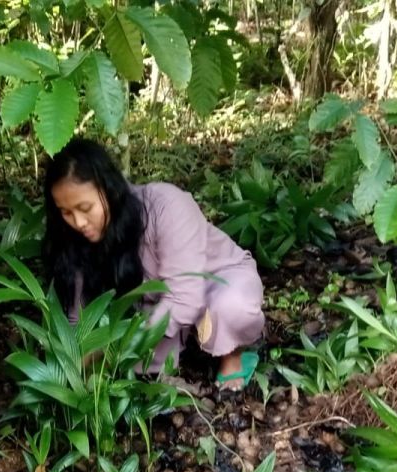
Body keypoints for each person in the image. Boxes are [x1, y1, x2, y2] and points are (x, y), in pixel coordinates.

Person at [41, 138, 264, 389]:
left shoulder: (165, 205)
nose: (79, 222)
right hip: (158, 301)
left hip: (215, 281)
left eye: (85, 207)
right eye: (66, 212)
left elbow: (184, 295)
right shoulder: (77, 234)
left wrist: (117, 346)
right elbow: (78, 312)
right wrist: (74, 357)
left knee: (231, 308)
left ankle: (232, 357)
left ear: (109, 188)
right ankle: (178, 345)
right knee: (130, 365)